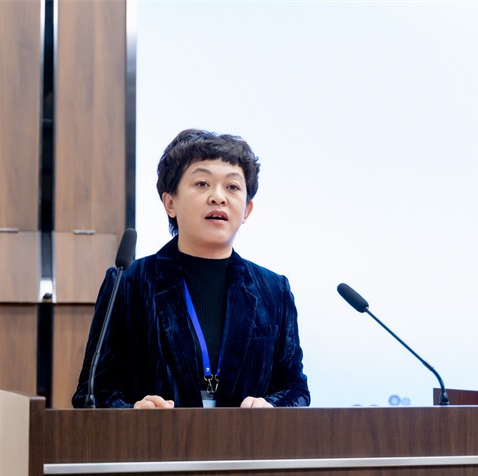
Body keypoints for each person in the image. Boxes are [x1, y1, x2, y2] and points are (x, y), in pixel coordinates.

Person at [72, 129, 310, 409]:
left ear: (247, 209)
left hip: (246, 439)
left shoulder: (273, 290)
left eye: (233, 187)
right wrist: (132, 412)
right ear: (170, 203)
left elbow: (295, 389)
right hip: (157, 438)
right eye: (202, 183)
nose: (218, 197)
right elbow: (91, 392)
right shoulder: (128, 284)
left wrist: (271, 407)